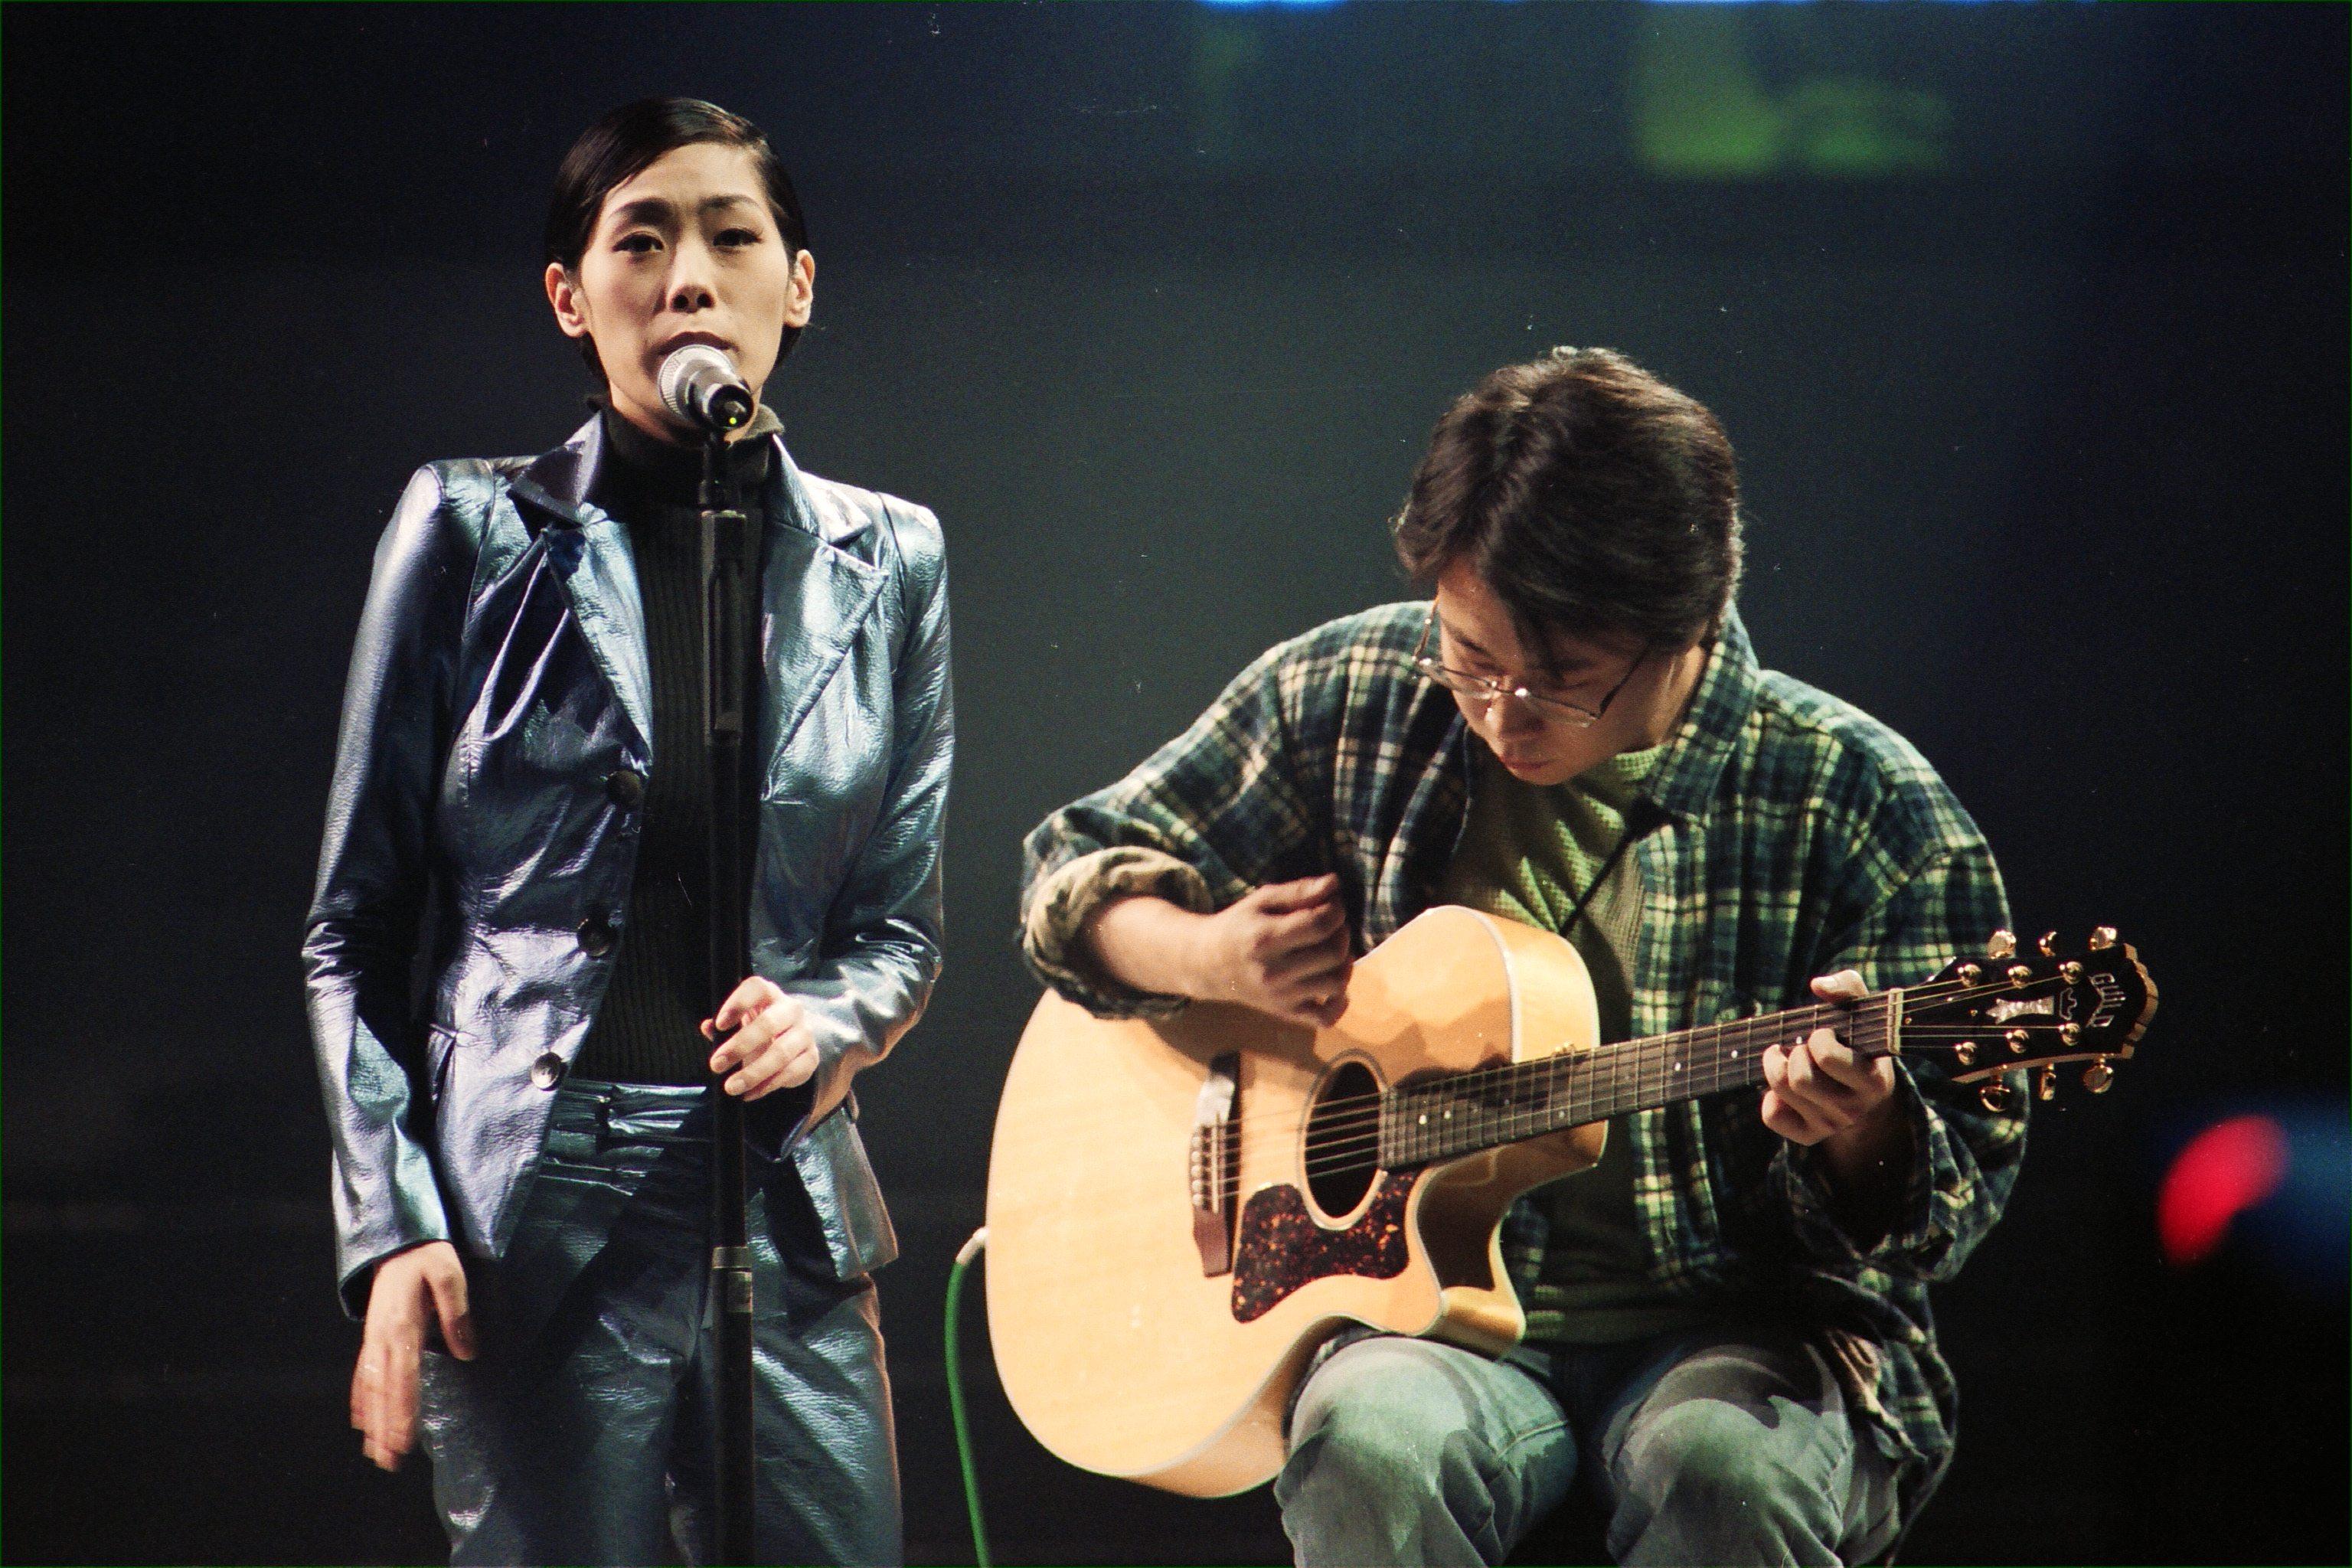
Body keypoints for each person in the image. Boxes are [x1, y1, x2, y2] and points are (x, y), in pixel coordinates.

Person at [1019, 348, 2019, 1566]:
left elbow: (1951, 1210)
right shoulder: (1365, 689)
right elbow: (1071, 872)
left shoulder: (1860, 799)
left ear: (1688, 628)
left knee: (1719, 1469)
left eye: (1563, 684)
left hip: (1741, 1332)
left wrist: (1862, 1127)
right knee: (1368, 1442)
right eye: (1472, 656)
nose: (1500, 713)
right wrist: (1209, 952)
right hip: (1440, 1333)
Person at [302, 98, 951, 1566]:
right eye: (639, 240)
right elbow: (354, 926)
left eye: (732, 236)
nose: (687, 278)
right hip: (536, 1212)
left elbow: (899, 929)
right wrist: (390, 1218)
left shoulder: (890, 558)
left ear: (797, 283)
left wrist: (828, 1015)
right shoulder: (470, 533)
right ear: (569, 297)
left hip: (780, 1203)